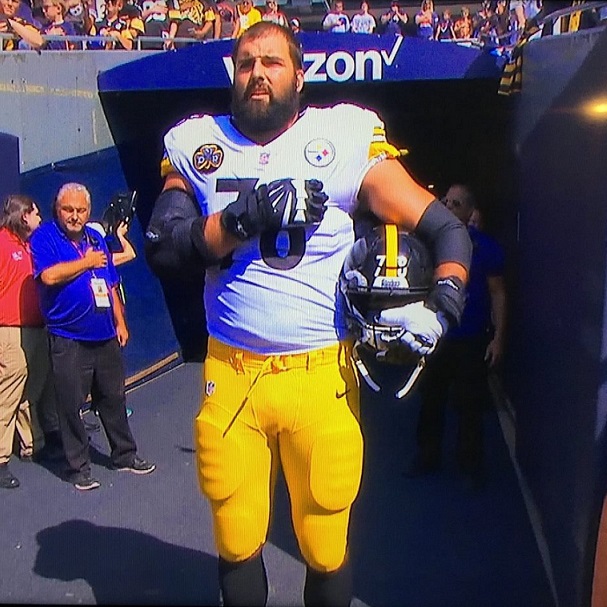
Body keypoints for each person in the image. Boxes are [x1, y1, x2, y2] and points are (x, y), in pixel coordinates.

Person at [144, 21, 471, 606]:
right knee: (237, 532)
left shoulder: (342, 135)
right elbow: (165, 245)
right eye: (246, 63)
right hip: (233, 374)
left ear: (299, 74)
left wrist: (445, 305)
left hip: (321, 374)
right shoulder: (197, 144)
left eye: (271, 62)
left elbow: (444, 227)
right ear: (233, 75)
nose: (258, 74)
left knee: (324, 540)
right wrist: (244, 218)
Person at [30, 182, 155, 491]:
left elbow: (109, 282)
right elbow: (48, 276)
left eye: (81, 210)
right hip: (68, 337)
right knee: (71, 403)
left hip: (104, 334)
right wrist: (86, 262)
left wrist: (120, 322)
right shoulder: (44, 237)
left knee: (113, 397)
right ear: (57, 210)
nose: (75, 216)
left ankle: (124, 454)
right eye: (68, 210)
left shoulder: (96, 236)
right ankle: (78, 468)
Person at [408, 184, 506, 490]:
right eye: (446, 202)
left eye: (457, 203)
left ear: (469, 211)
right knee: (430, 400)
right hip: (436, 335)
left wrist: (499, 337)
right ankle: (427, 457)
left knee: (469, 405)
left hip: (470, 337)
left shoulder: (485, 247)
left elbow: (498, 293)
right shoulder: (428, 245)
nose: (449, 207)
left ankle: (470, 467)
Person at [0, 195, 61, 489]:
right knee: (10, 389)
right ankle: (0, 460)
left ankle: (31, 445)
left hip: (36, 326)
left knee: (32, 388)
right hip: (9, 329)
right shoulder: (2, 244)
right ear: (24, 215)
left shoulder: (30, 246)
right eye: (36, 213)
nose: (39, 218)